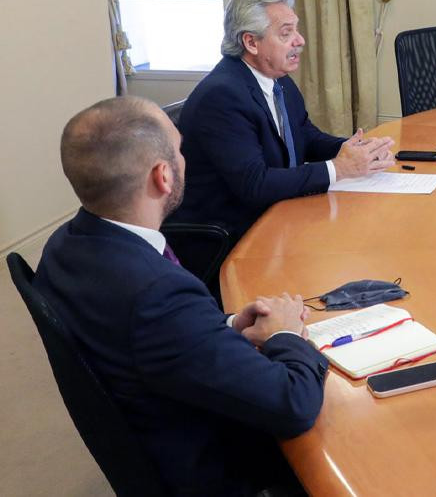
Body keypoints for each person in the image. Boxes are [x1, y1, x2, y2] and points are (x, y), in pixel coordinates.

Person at [35, 96, 328, 496]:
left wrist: (222, 326)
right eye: (180, 150)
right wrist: (287, 334)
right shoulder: (158, 295)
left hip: (159, 413)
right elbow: (293, 405)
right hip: (215, 468)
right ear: (163, 176)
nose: (186, 158)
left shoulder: (62, 246)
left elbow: (156, 340)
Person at [170, 0, 395, 240]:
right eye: (286, 33)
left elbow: (305, 136)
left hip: (276, 216)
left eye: (296, 30)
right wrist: (338, 168)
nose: (300, 41)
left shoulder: (276, 78)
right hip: (231, 235)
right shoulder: (222, 97)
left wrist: (358, 151)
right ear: (251, 42)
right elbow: (255, 184)